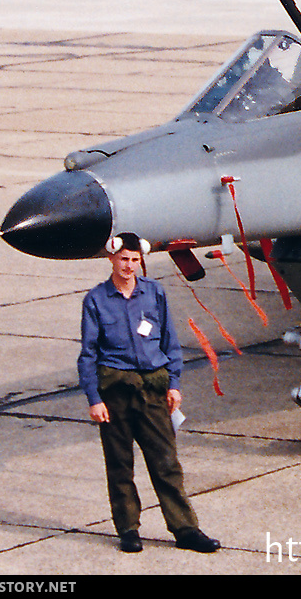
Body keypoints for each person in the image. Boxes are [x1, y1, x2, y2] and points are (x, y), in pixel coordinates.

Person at [78, 232, 220, 554]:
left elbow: (170, 342)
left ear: (141, 260)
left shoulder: (154, 293)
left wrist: (174, 384)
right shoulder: (96, 300)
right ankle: (128, 529)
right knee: (119, 465)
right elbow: (88, 353)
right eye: (123, 259)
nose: (129, 266)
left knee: (166, 463)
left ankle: (185, 529)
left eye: (134, 259)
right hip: (114, 392)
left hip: (154, 391)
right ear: (111, 259)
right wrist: (94, 399)